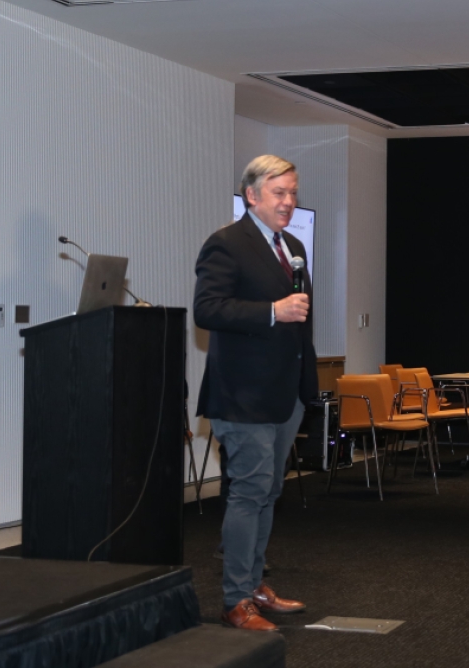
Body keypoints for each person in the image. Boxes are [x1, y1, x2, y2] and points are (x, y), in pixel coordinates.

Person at [194, 154, 318, 632]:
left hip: (284, 395)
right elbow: (208, 309)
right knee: (248, 493)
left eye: (292, 193)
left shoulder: (288, 245)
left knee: (267, 492)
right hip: (242, 395)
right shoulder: (226, 244)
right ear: (252, 195)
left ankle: (253, 586)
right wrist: (272, 310)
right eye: (279, 193)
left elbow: (299, 321)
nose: (288, 202)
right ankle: (235, 600)